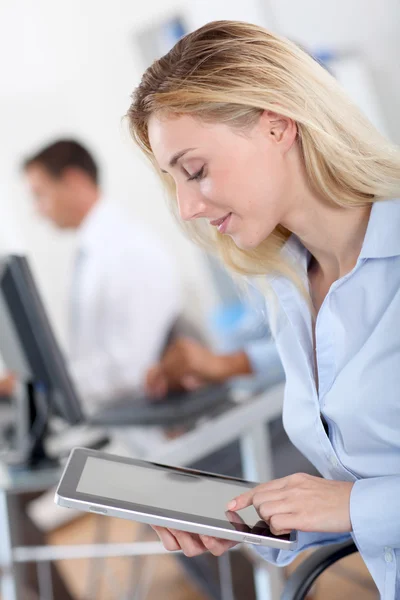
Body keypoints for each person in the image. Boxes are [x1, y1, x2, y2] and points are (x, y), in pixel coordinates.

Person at [127, 20, 400, 599]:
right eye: (172, 180)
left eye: (195, 171)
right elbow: (354, 502)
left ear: (277, 124)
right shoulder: (289, 287)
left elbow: (360, 502)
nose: (185, 207)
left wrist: (356, 504)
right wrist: (262, 517)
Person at [23, 139, 181, 413]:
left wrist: (48, 385)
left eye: (40, 195)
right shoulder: (94, 250)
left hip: (145, 419)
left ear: (73, 180)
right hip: (114, 413)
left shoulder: (127, 248)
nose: (37, 211)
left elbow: (132, 368)